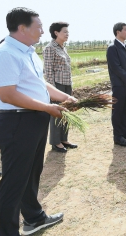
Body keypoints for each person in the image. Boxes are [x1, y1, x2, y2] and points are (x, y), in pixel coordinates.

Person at [0, 7, 77, 235]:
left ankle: (34, 218)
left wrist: (63, 96)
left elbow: (39, 84)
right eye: (38, 26)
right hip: (16, 124)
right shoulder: (5, 54)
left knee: (30, 175)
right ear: (22, 28)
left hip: (33, 121)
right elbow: (7, 95)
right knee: (13, 185)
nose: (41, 31)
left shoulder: (28, 52)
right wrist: (48, 107)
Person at [43, 22, 78, 153]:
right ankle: (56, 142)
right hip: (57, 85)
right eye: (65, 32)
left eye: (68, 32)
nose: (67, 34)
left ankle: (64, 139)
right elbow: (48, 71)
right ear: (56, 33)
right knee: (57, 113)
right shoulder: (50, 48)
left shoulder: (63, 47)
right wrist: (52, 90)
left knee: (66, 113)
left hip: (66, 84)